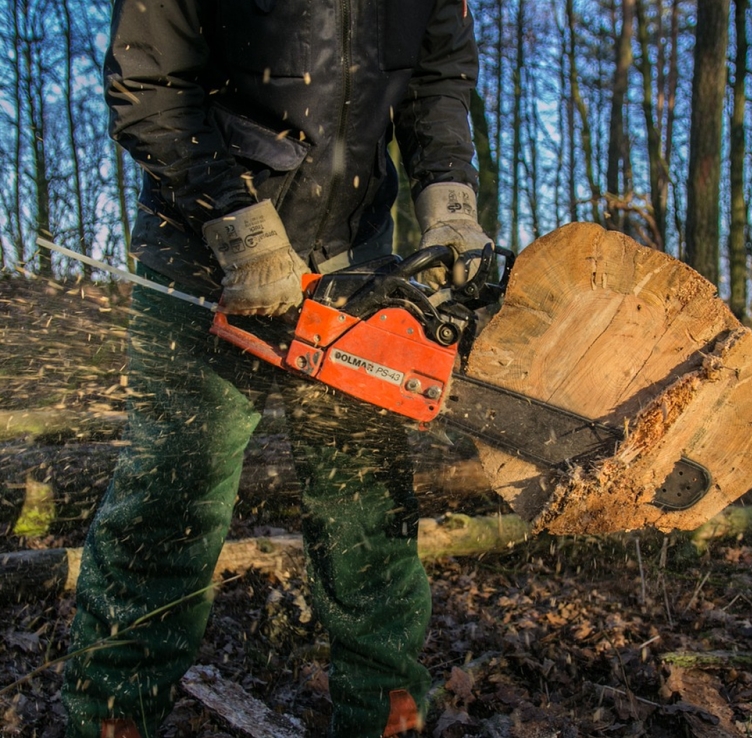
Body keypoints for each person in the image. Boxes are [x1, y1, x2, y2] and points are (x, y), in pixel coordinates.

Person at [61, 0, 492, 736]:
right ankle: (115, 713)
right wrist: (233, 218)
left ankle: (384, 710)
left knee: (368, 507)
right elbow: (149, 81)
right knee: (174, 490)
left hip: (356, 254)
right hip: (200, 243)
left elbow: (437, 76)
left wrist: (449, 199)